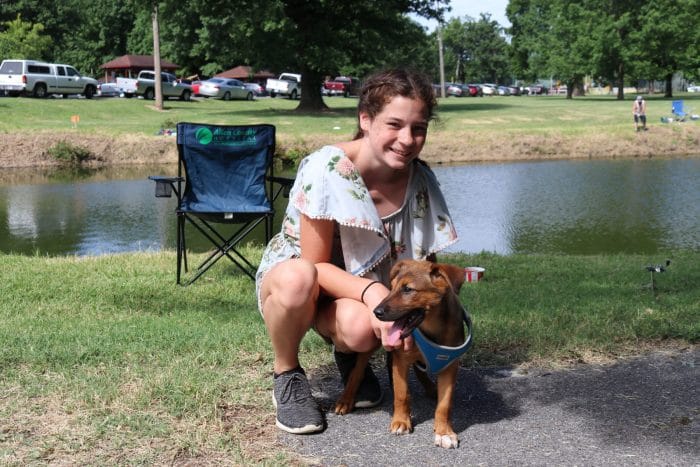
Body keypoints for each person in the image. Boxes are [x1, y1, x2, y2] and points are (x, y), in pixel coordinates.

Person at [255, 68, 458, 434]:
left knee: (362, 329)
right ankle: (287, 375)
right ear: (365, 120)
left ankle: (351, 356)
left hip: (361, 291)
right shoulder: (327, 166)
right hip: (302, 285)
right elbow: (315, 266)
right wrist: (375, 292)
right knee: (298, 277)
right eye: (393, 124)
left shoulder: (420, 179)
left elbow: (423, 269)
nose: (407, 139)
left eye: (419, 128)